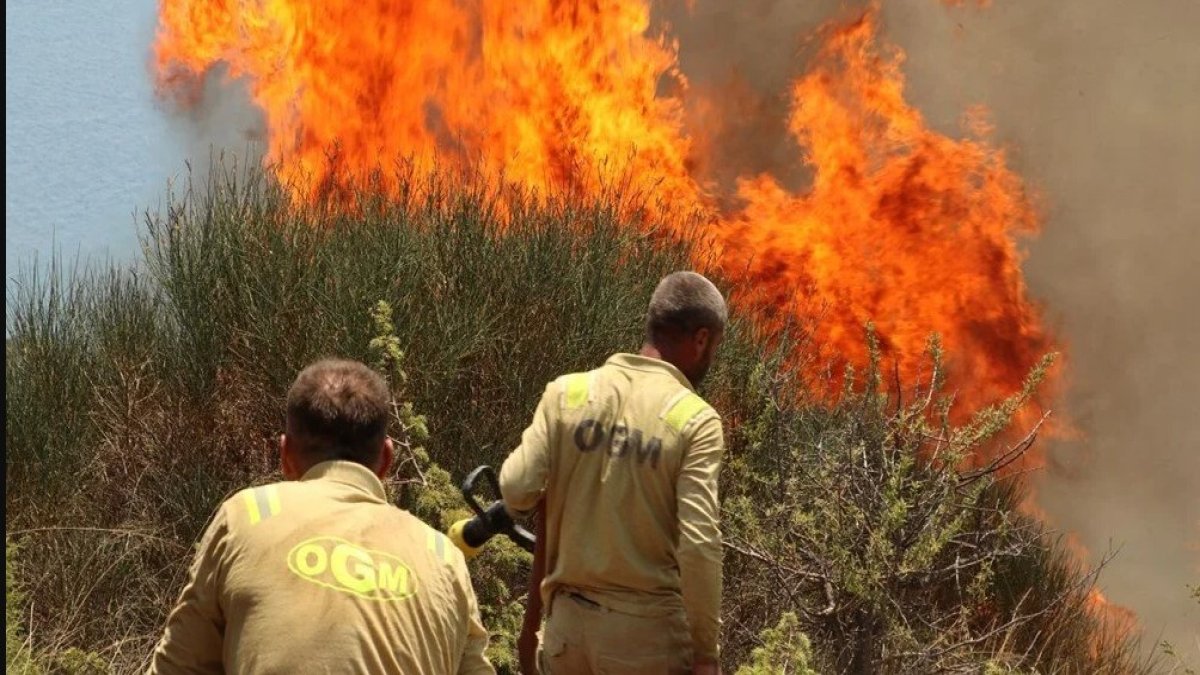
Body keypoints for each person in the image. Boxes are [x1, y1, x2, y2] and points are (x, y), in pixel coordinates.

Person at [149, 358, 493, 675]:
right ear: (386, 461)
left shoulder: (248, 516)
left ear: (285, 455)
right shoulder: (442, 555)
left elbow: (179, 667)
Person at [500, 271, 728, 675]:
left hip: (567, 635)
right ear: (701, 339)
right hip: (647, 644)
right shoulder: (695, 420)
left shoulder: (567, 393)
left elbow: (516, 489)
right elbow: (698, 545)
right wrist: (705, 653)